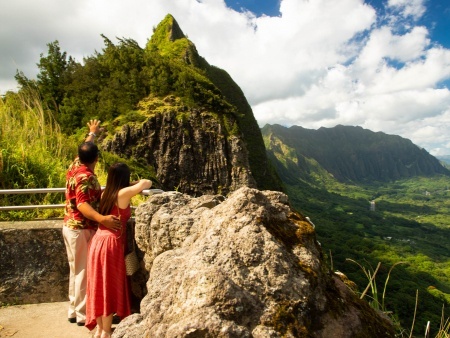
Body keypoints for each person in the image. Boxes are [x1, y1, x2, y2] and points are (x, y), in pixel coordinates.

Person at [63, 119, 122, 326]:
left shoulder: (76, 164)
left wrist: (92, 133)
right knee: (84, 272)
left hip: (70, 225)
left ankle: (74, 310)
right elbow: (82, 205)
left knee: (75, 269)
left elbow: (86, 148)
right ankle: (82, 315)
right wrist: (102, 219)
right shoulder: (86, 177)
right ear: (96, 158)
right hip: (81, 228)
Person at [85, 163, 152, 338]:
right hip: (111, 244)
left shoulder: (106, 192)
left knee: (98, 285)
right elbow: (147, 183)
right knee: (108, 287)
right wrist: (136, 183)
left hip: (98, 240)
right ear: (125, 178)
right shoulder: (122, 194)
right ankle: (107, 331)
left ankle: (100, 330)